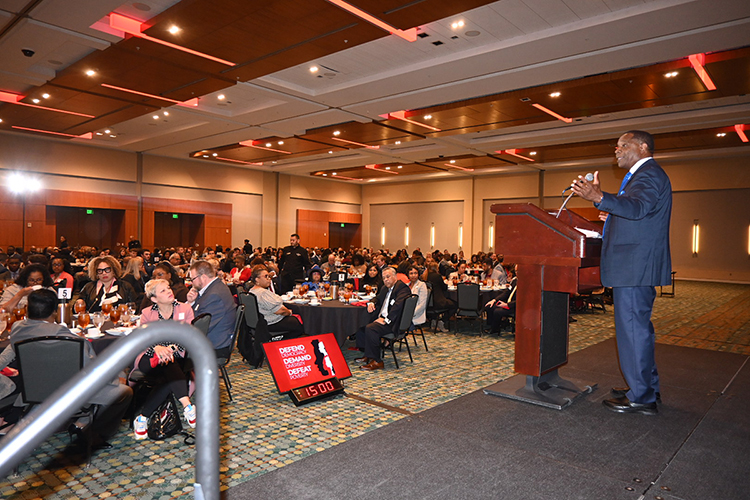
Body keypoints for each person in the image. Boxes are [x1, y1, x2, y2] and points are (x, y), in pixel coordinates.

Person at [571, 130, 672, 416]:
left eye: (622, 145)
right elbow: (639, 213)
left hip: (634, 267)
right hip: (636, 267)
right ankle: (645, 387)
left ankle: (641, 396)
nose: (616, 150)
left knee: (632, 330)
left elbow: (638, 207)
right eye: (615, 146)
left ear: (642, 147)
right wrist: (611, 212)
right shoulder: (643, 176)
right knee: (639, 330)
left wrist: (600, 196)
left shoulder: (649, 174)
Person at [10, 289, 132, 447]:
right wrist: (116, 379)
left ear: (27, 309)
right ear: (55, 311)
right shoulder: (69, 339)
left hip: (33, 392)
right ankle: (92, 432)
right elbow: (92, 370)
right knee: (123, 391)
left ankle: (81, 423)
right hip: (68, 394)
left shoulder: (17, 329)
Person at [132, 279, 196, 439]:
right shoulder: (147, 313)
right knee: (169, 365)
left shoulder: (185, 308)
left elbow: (188, 336)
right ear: (154, 299)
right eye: (162, 291)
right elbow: (144, 338)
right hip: (149, 357)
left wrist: (172, 348)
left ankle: (142, 418)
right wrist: (157, 348)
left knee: (169, 368)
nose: (169, 291)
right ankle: (187, 406)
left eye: (168, 288)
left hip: (176, 356)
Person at [354, 267, 411, 371]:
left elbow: (397, 307)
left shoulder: (402, 288)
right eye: (384, 278)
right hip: (382, 318)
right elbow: (378, 297)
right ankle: (368, 354)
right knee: (360, 322)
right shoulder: (385, 288)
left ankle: (377, 361)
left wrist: (386, 320)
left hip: (393, 322)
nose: (385, 280)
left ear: (395, 277)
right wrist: (372, 302)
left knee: (371, 328)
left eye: (388, 277)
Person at [186, 260, 236, 357]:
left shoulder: (213, 295)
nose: (192, 283)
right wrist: (191, 302)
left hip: (215, 344)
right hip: (213, 337)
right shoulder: (215, 287)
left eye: (193, 279)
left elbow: (200, 327)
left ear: (203, 277)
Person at [248, 265, 304, 338]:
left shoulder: (251, 291)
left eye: (269, 276)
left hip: (260, 322)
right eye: (266, 276)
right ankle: (283, 343)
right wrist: (289, 312)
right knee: (298, 323)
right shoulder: (262, 293)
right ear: (257, 279)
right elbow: (281, 311)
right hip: (270, 322)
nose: (269, 279)